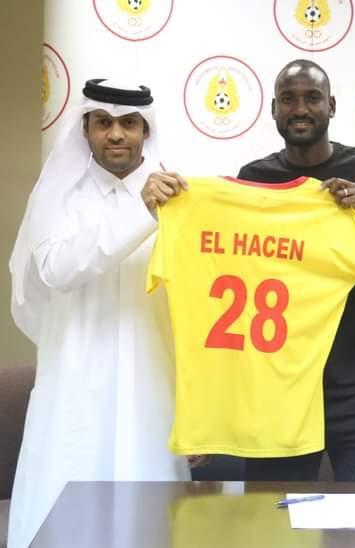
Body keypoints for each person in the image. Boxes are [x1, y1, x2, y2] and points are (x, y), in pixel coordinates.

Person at [7, 79, 193, 548]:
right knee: (65, 518)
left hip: (152, 387)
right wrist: (142, 212)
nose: (116, 134)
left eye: (129, 123)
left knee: (152, 521)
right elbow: (57, 269)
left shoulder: (180, 201)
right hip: (73, 384)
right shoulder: (58, 195)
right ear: (85, 128)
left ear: (146, 131)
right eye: (103, 122)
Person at [236, 59, 355, 481]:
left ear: (331, 106)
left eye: (312, 98)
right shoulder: (252, 179)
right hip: (280, 387)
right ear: (273, 109)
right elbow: (240, 274)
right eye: (288, 99)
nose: (300, 109)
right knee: (271, 515)